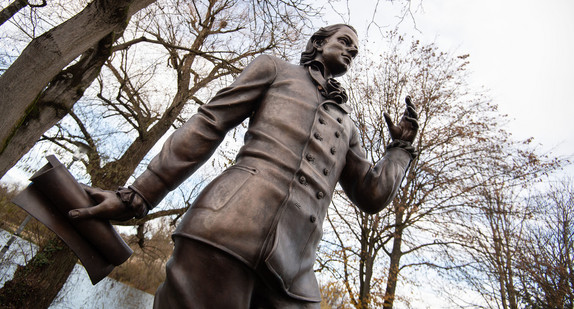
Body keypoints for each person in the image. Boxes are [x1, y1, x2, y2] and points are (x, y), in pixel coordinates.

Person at [69, 24, 418, 308]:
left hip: (295, 269)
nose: (350, 51)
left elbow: (372, 194)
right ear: (318, 42)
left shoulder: (347, 126)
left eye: (355, 51)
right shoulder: (275, 70)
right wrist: (139, 195)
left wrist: (400, 149)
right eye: (345, 42)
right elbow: (209, 123)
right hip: (227, 229)